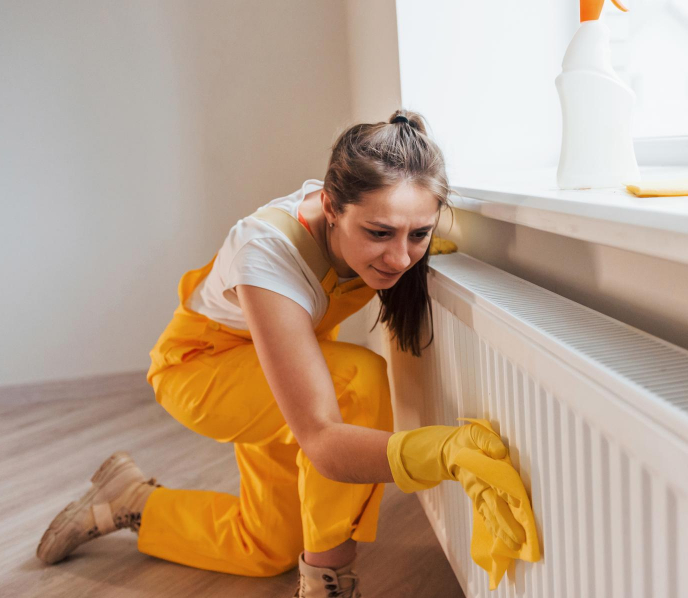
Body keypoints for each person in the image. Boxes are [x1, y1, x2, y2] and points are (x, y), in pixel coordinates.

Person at [36, 110, 526, 598]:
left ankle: (129, 500)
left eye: (417, 234)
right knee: (357, 381)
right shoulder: (267, 253)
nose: (401, 258)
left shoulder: (374, 217)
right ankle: (326, 583)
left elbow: (394, 241)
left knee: (267, 547)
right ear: (331, 207)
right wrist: (443, 452)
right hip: (202, 369)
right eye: (380, 233)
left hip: (286, 362)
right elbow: (323, 440)